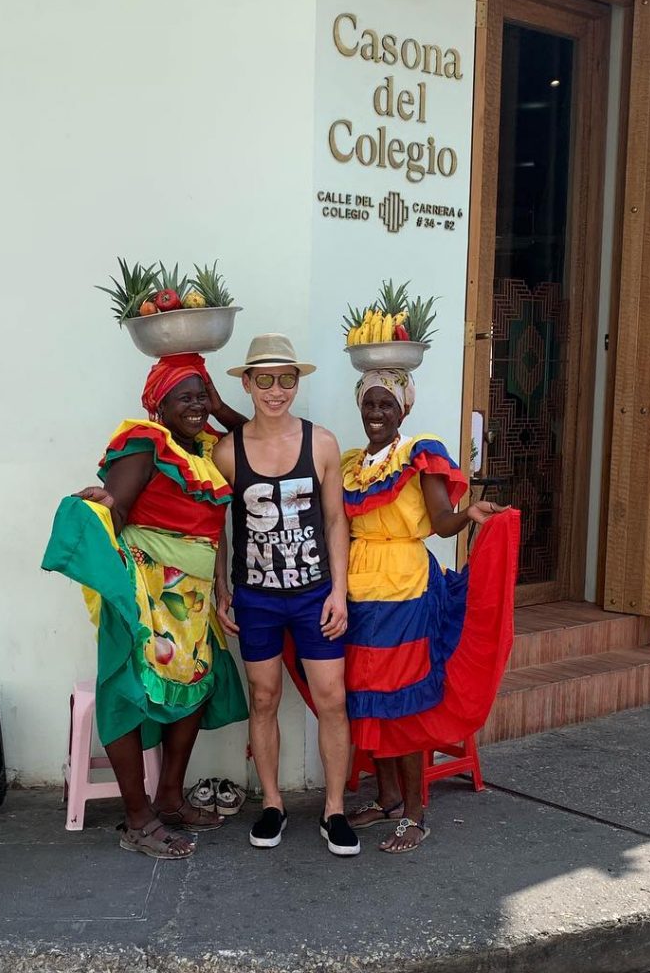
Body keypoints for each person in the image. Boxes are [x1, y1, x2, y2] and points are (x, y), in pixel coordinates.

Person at [42, 353, 249, 860]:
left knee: (193, 687)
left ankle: (171, 800)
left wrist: (222, 588)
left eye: (202, 395)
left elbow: (254, 444)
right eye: (187, 396)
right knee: (129, 692)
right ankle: (138, 818)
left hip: (193, 596)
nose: (197, 405)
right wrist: (102, 504)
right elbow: (117, 503)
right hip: (147, 589)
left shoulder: (207, 452)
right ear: (159, 405)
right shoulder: (146, 443)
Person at [341, 369, 518, 853]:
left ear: (404, 410)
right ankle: (389, 800)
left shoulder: (419, 454)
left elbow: (441, 523)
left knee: (404, 697)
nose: (376, 413)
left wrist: (470, 515)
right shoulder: (350, 465)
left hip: (406, 587)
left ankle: (416, 814)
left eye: (387, 405)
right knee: (366, 694)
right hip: (359, 587)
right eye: (369, 403)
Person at [213, 334, 359, 857]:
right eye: (266, 380)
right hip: (257, 598)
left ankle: (334, 809)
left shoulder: (320, 443)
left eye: (287, 379)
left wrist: (339, 590)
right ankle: (272, 803)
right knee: (264, 697)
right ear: (248, 384)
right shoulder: (227, 451)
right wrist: (221, 587)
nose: (277, 391)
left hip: (313, 593)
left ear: (298, 383)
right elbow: (217, 526)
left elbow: (337, 519)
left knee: (333, 700)